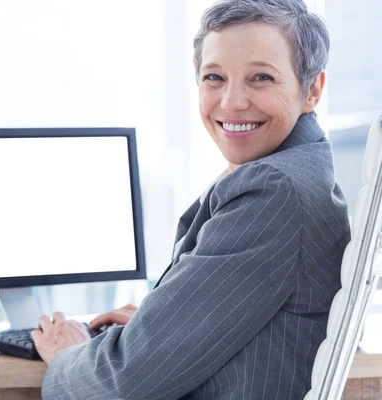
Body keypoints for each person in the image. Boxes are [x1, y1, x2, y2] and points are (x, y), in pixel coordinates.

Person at [31, 0, 351, 398]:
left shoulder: (274, 190)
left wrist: (68, 355)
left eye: (261, 78)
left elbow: (127, 382)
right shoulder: (297, 170)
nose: (232, 102)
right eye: (214, 77)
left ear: (312, 90)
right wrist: (163, 322)